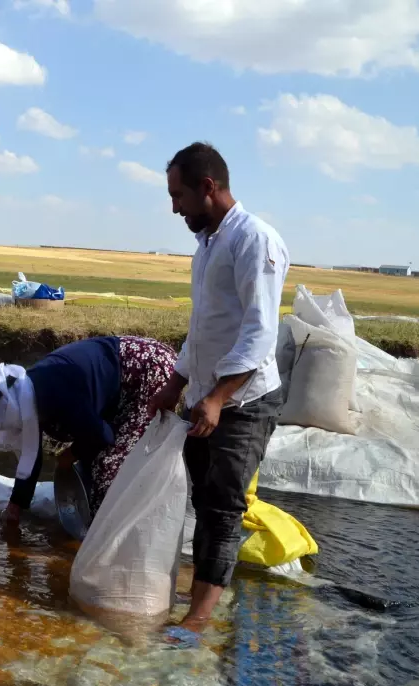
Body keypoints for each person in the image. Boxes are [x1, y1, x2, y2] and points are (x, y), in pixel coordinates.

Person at [148, 142, 290, 634]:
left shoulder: (255, 240)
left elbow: (259, 332)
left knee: (224, 505)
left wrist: (217, 398)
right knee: (203, 500)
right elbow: (202, 327)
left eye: (179, 194)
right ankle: (202, 593)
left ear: (208, 187)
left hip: (243, 402)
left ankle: (198, 619)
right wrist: (178, 382)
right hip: (205, 397)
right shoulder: (207, 246)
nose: (174, 207)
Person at [0, 335, 177, 538]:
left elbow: (103, 436)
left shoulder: (53, 393)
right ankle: (93, 535)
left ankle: (105, 545)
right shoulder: (26, 398)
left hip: (148, 369)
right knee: (93, 465)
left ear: (4, 410)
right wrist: (14, 508)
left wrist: (72, 453)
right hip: (120, 380)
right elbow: (31, 456)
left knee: (109, 468)